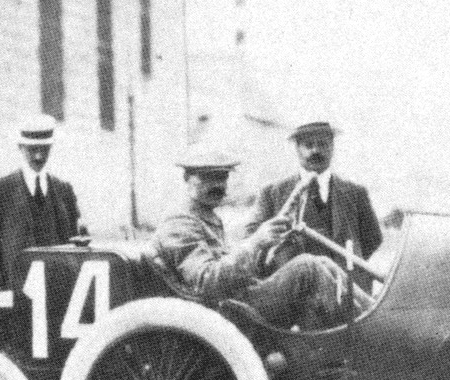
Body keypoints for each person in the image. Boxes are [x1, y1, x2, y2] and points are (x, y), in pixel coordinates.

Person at [154, 151, 361, 330]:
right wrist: (256, 242)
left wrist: (266, 247)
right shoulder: (179, 222)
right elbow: (206, 281)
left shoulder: (205, 215)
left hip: (235, 302)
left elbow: (230, 267)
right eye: (208, 178)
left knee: (322, 263)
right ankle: (366, 331)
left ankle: (370, 315)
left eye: (222, 177)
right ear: (187, 178)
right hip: (224, 311)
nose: (217, 185)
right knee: (308, 268)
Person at [245, 120, 382, 291]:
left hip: (347, 289)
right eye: (308, 145)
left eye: (322, 144)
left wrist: (348, 262)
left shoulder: (355, 193)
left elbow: (373, 239)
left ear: (332, 147)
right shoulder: (272, 193)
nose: (315, 151)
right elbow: (252, 239)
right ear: (297, 149)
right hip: (295, 293)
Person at [0, 114, 81, 294]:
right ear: (20, 147)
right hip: (16, 296)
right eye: (32, 149)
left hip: (59, 295)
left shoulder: (64, 191)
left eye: (44, 149)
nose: (39, 156)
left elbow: (75, 249)